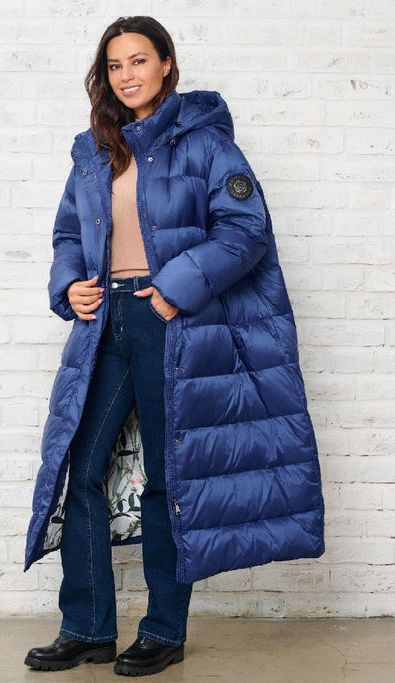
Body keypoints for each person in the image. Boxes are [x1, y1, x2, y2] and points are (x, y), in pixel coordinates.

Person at [24, 14, 325, 678]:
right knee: (81, 468)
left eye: (138, 60)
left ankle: (163, 630)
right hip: (104, 324)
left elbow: (245, 230)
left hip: (174, 323)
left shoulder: (206, 145)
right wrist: (69, 283)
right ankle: (87, 627)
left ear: (166, 64)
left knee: (170, 477)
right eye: (114, 65)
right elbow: (69, 233)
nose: (126, 75)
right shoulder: (94, 150)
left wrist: (175, 288)